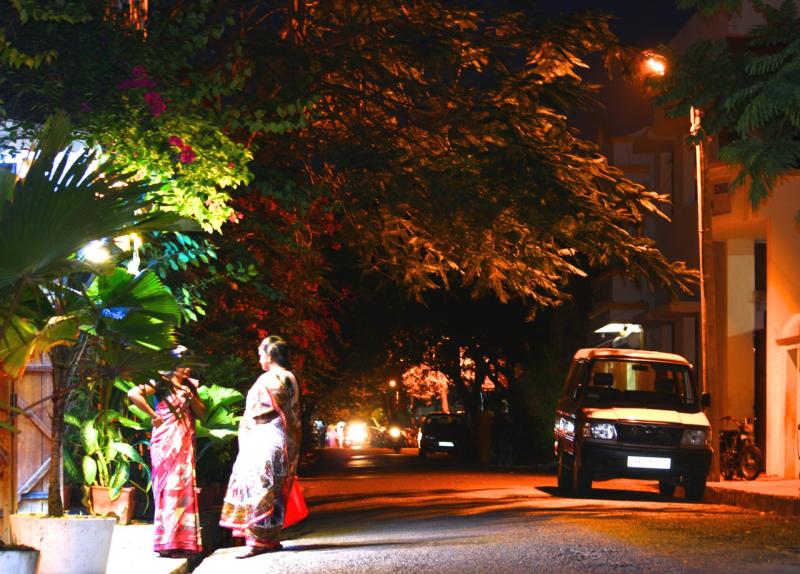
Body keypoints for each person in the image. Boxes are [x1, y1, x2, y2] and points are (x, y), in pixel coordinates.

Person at [219, 336, 301, 558]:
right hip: (278, 438)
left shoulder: (272, 379)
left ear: (270, 355)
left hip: (266, 438)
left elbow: (258, 412)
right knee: (271, 489)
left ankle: (257, 542)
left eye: (260, 355)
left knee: (259, 487)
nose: (259, 360)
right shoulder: (289, 377)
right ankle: (269, 540)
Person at [128, 364, 205, 557]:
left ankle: (183, 542)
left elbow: (203, 413)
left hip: (184, 443)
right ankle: (167, 542)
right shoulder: (161, 384)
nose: (187, 368)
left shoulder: (190, 386)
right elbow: (133, 393)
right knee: (168, 489)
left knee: (184, 488)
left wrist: (191, 398)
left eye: (189, 364)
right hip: (166, 443)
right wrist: (154, 416)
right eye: (182, 364)